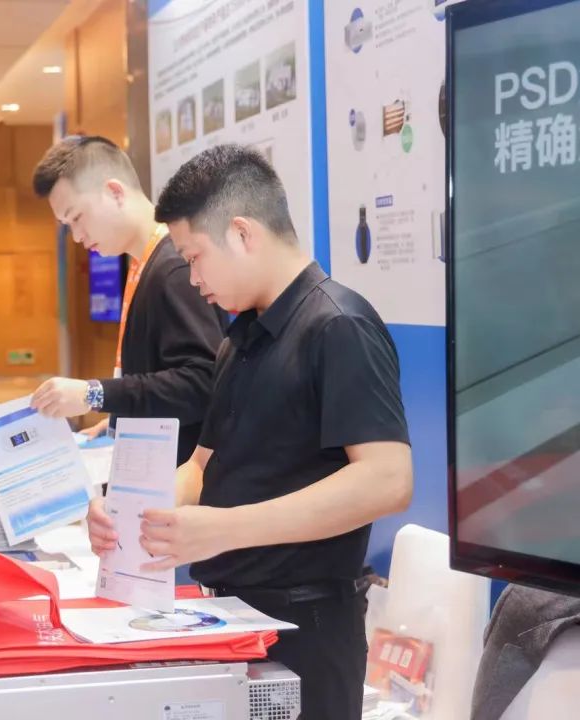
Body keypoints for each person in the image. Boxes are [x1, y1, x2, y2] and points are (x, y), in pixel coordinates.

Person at [87, 145, 413, 720]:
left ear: (241, 233)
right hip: (235, 621)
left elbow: (387, 481)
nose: (193, 279)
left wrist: (224, 529)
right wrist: (133, 512)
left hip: (307, 629)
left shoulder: (339, 325)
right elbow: (202, 467)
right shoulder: (241, 339)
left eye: (195, 258)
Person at [28, 135, 226, 464]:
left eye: (77, 217)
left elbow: (202, 382)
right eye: (67, 225)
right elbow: (159, 374)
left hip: (182, 478)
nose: (76, 236)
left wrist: (94, 394)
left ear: (114, 192)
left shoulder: (174, 268)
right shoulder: (146, 263)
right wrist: (119, 418)